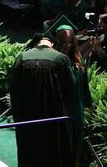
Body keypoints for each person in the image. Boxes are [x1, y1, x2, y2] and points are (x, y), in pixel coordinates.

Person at [10, 23, 79, 167]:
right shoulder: (60, 58)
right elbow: (71, 90)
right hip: (52, 118)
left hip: (27, 117)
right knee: (52, 154)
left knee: (29, 152)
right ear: (52, 44)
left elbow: (14, 90)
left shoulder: (22, 57)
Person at [55, 23, 93, 166]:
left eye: (71, 42)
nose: (68, 45)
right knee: (62, 141)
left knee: (77, 140)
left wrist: (89, 104)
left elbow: (84, 85)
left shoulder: (77, 61)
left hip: (77, 108)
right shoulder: (54, 61)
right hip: (61, 107)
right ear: (58, 41)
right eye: (64, 42)